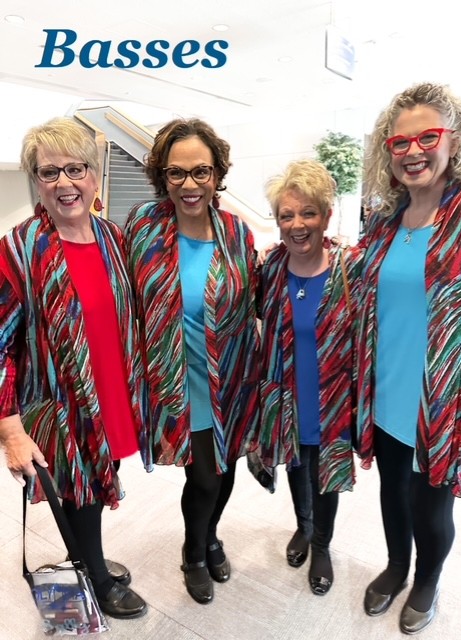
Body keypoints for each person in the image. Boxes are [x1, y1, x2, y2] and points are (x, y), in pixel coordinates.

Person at [0, 117, 147, 620]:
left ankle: (88, 557)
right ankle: (96, 578)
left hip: (112, 391)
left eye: (75, 169)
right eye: (49, 172)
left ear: (95, 174)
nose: (64, 183)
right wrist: (10, 430)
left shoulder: (112, 237)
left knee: (98, 483)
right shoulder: (18, 250)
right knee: (79, 491)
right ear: (36, 181)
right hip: (60, 402)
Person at [358, 82, 461, 635]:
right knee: (392, 491)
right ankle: (395, 566)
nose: (413, 151)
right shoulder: (385, 221)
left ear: (455, 141)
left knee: (431, 505)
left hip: (444, 400)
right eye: (400, 142)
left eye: (427, 137)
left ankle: (427, 579)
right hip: (386, 391)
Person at [125, 118, 260, 605]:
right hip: (178, 378)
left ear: (217, 173)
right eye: (176, 172)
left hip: (232, 377)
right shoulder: (143, 227)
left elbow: (257, 296)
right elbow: (125, 297)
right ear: (161, 175)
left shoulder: (236, 232)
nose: (189, 184)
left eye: (200, 171)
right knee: (203, 475)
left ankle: (211, 535)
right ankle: (194, 552)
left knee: (225, 468)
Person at [257, 159, 362, 595]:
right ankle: (303, 527)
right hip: (286, 396)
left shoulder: (351, 268)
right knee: (297, 466)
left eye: (308, 213)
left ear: (327, 215)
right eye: (287, 215)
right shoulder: (270, 268)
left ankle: (321, 545)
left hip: (331, 399)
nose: (297, 225)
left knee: (325, 474)